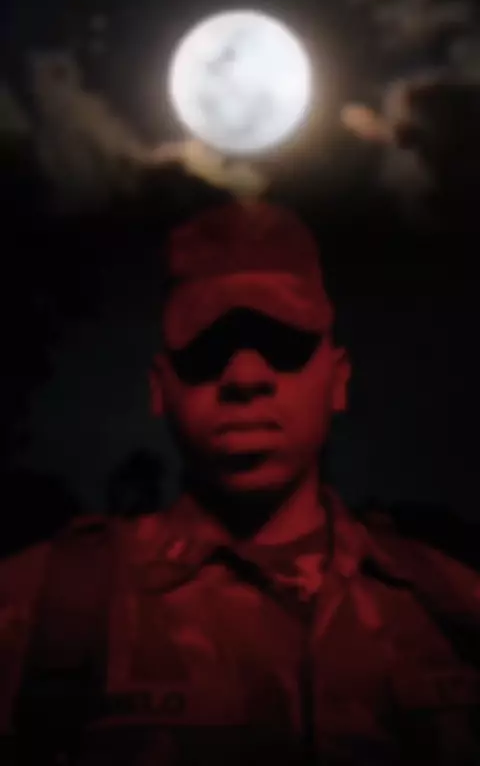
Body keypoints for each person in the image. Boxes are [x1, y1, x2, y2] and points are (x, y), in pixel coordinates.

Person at [1, 202, 479, 766]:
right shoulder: (39, 610)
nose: (246, 377)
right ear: (159, 389)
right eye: (208, 349)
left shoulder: (454, 603)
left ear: (339, 379)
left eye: (283, 345)